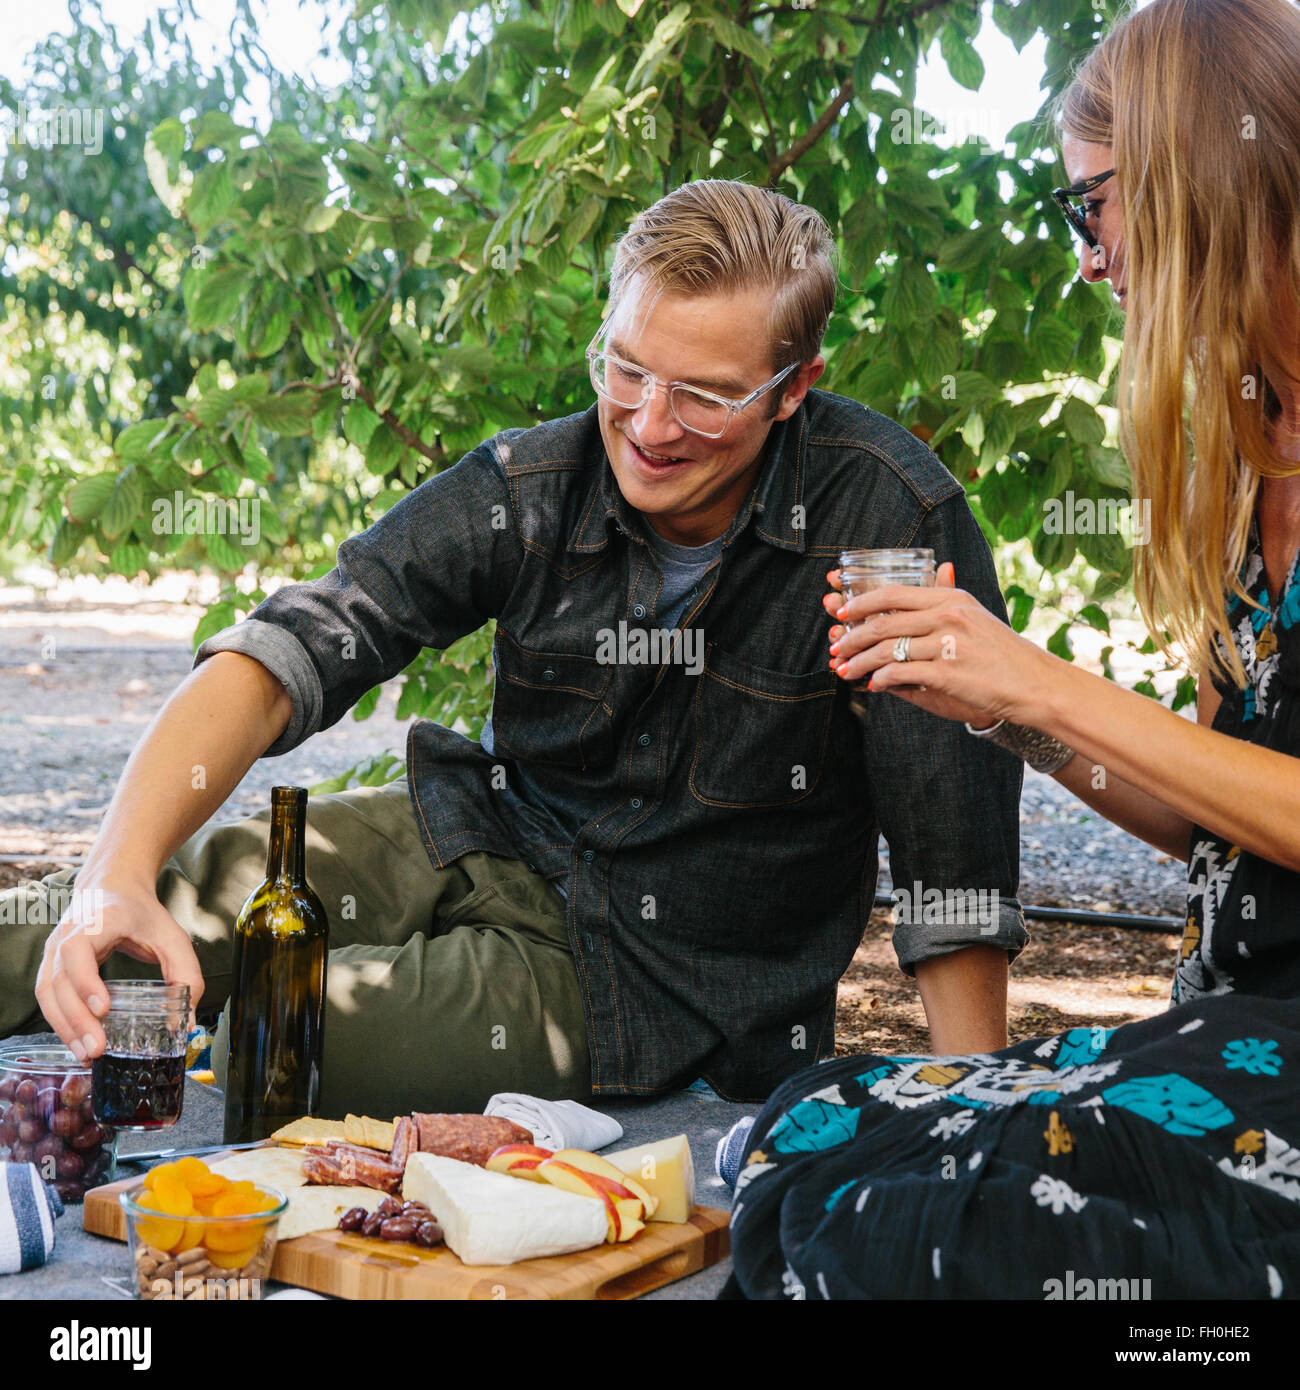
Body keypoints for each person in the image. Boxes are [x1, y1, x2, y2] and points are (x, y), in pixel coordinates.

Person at [1, 179, 1028, 1117]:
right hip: (481, 835)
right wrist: (113, 874)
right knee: (68, 928)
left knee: (271, 1038)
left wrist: (973, 1124)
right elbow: (289, 651)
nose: (649, 425)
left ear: (792, 388)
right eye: (624, 369)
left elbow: (953, 862)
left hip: (645, 983)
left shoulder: (890, 525)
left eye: (705, 397)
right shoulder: (531, 484)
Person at [725, 0, 1300, 1300]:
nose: (1087, 259)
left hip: (1268, 1070)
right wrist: (1005, 716)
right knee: (812, 1122)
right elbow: (1223, 819)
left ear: (1199, 174)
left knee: (912, 1231)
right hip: (1222, 1029)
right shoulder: (1244, 467)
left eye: (1089, 206)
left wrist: (1048, 679)